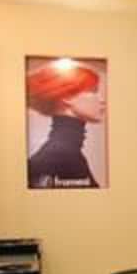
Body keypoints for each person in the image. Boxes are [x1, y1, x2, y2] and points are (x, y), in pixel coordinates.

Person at [26, 58, 106, 189]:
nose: (102, 100)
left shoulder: (64, 153)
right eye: (93, 91)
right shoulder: (62, 155)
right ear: (68, 97)